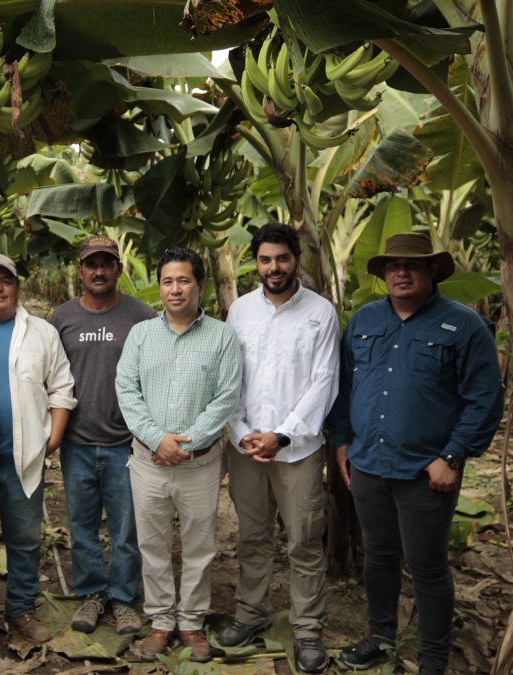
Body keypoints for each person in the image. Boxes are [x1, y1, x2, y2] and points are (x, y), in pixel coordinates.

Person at [327, 232, 504, 675]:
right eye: (392, 266)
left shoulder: (464, 325)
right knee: (379, 555)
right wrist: (342, 442)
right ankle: (379, 636)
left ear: (431, 271)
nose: (400, 273)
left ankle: (433, 658)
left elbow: (485, 399)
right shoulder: (364, 320)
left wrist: (454, 456)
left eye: (411, 266)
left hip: (428, 471)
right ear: (384, 273)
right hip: (367, 464)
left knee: (427, 566)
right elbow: (345, 388)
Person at [219, 223, 339, 672]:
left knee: (304, 541)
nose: (274, 267)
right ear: (256, 263)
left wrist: (282, 434)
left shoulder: (320, 312)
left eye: (282, 258)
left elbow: (324, 380)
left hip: (298, 449)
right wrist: (243, 430)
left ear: (296, 261)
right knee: (251, 537)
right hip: (246, 446)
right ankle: (250, 613)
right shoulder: (240, 311)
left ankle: (308, 628)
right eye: (266, 259)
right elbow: (231, 378)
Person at [115, 247, 242, 663]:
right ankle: (160, 620)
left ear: (200, 286)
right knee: (151, 544)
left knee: (199, 546)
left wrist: (183, 445)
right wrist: (158, 441)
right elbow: (127, 391)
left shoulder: (221, 336)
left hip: (200, 463)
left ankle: (191, 621)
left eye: (183, 280)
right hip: (148, 462)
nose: (175, 289)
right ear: (160, 286)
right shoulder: (141, 335)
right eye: (168, 281)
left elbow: (226, 397)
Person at [0, 253, 77, 646]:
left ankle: (21, 607)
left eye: (6, 280)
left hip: (23, 459)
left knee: (24, 539)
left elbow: (60, 387)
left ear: (17, 287)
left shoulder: (40, 331)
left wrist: (52, 438)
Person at [48, 236, 156, 635]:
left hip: (126, 443)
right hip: (76, 443)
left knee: (127, 529)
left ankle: (126, 600)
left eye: (106, 264)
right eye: (91, 264)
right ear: (79, 271)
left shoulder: (142, 317)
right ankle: (93, 595)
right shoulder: (61, 318)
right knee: (82, 526)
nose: (98, 271)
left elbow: (155, 376)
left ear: (118, 270)